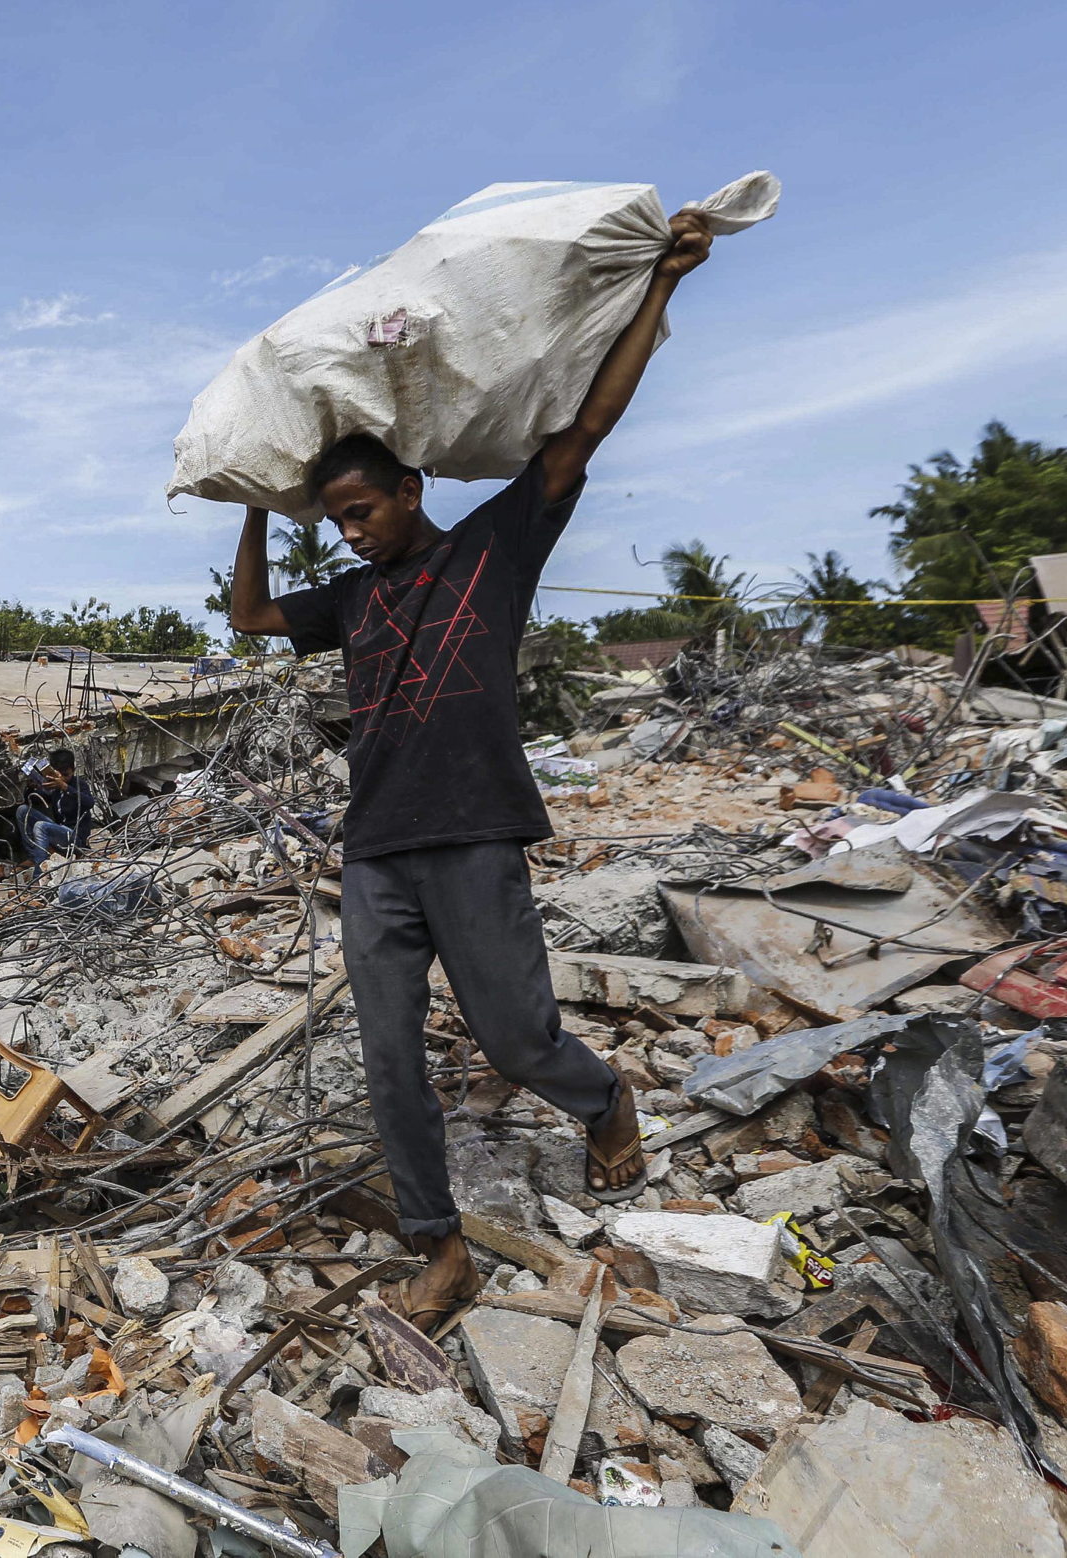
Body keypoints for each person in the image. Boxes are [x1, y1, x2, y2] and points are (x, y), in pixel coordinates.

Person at [224, 211, 716, 1331]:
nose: (347, 535)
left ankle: (601, 1102)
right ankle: (436, 1247)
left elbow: (583, 426)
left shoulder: (491, 549)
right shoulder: (347, 600)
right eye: (333, 520)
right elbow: (249, 614)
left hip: (475, 832)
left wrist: (661, 288)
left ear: (409, 487)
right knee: (389, 1056)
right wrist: (257, 498)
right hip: (374, 853)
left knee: (514, 1037)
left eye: (359, 512)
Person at [16, 748, 95, 866]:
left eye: (66, 775)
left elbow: (89, 803)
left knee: (40, 826)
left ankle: (39, 871)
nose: (62, 778)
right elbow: (34, 799)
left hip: (75, 837)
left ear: (73, 770)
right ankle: (33, 856)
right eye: (59, 774)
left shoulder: (79, 784)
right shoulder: (55, 789)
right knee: (22, 811)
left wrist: (65, 787)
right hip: (59, 831)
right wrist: (32, 787)